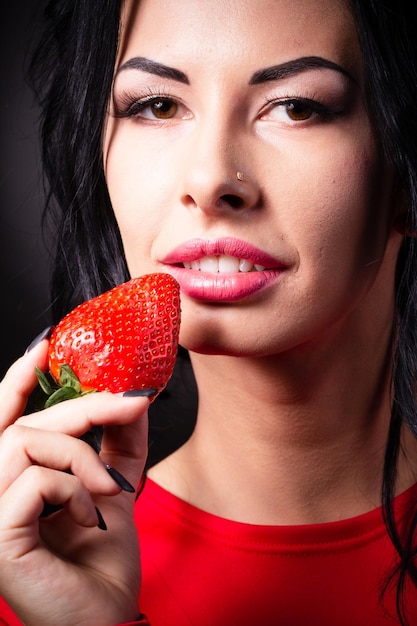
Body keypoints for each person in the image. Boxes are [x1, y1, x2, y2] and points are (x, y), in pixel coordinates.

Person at [1, 0, 417, 624]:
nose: (211, 176)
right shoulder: (31, 567)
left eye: (297, 107)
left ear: (405, 173)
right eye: (158, 105)